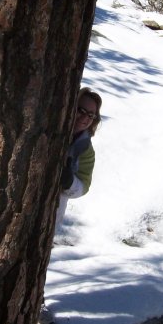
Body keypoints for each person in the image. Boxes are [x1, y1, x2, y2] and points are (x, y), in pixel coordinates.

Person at [55, 87, 102, 231]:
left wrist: (70, 183)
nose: (85, 118)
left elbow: (84, 186)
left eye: (91, 115)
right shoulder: (48, 130)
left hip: (49, 218)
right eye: (81, 110)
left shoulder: (85, 149)